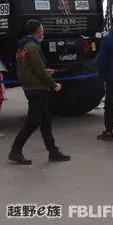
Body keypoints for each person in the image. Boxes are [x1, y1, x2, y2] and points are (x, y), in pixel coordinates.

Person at [9, 20, 70, 165]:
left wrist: (44, 71)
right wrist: (54, 84)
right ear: (37, 31)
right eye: (42, 29)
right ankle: (15, 150)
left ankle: (53, 151)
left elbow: (28, 68)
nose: (43, 31)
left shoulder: (23, 46)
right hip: (37, 89)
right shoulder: (33, 47)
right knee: (33, 122)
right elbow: (39, 72)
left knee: (45, 121)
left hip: (31, 87)